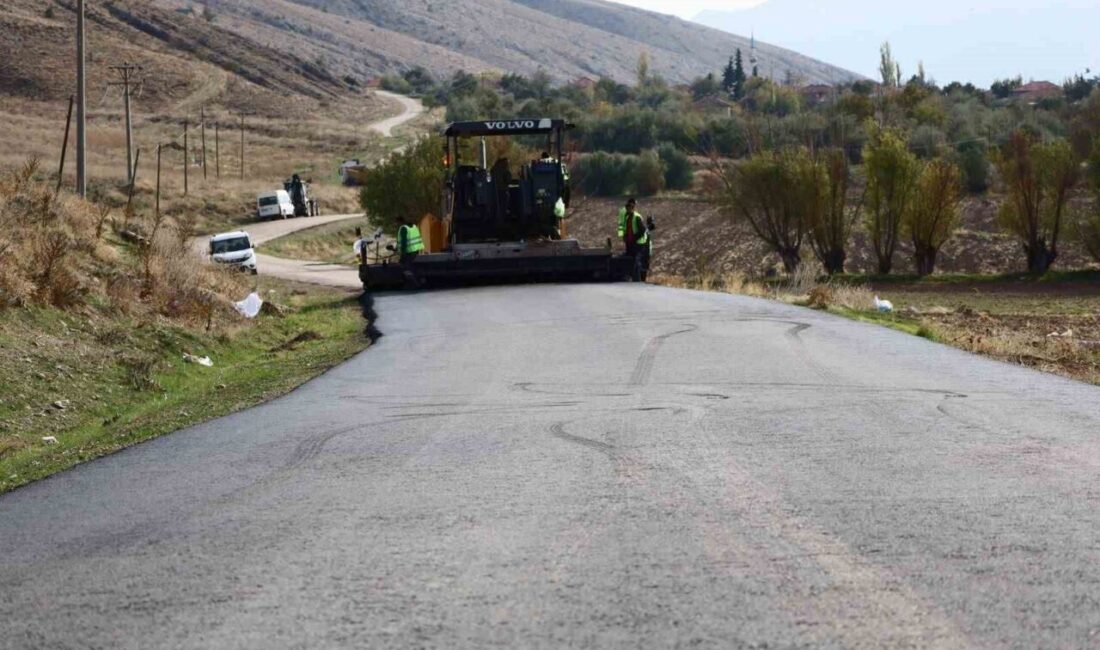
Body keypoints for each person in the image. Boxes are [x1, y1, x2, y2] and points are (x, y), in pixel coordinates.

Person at [622, 199, 653, 282]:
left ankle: (638, 282)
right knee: (631, 262)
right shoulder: (627, 217)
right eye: (627, 207)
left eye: (630, 207)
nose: (628, 209)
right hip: (631, 244)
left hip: (639, 244)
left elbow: (642, 231)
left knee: (637, 262)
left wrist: (633, 238)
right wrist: (625, 237)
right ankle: (634, 279)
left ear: (633, 208)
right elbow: (627, 229)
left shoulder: (637, 217)